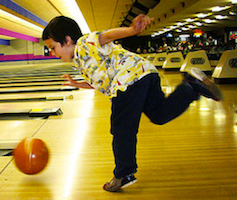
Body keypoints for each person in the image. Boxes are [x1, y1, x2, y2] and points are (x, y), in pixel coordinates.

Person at [42, 14, 223, 192]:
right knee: (159, 115)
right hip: (144, 74)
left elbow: (105, 36)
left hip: (127, 81)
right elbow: (98, 82)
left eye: (52, 47)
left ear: (66, 40)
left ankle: (124, 173)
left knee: (122, 130)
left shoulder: (84, 43)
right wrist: (76, 84)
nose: (51, 52)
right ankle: (190, 87)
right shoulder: (80, 62)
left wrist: (131, 30)